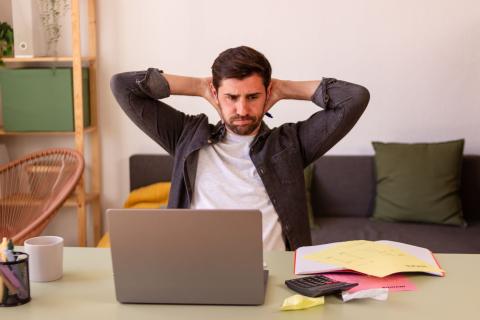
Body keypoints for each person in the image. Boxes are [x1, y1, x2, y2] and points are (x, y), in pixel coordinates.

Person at [110, 46, 370, 251]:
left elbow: (354, 98)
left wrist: (284, 89)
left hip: (274, 276)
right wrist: (199, 87)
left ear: (267, 93)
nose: (242, 110)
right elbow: (123, 87)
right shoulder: (185, 136)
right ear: (216, 93)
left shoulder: (291, 144)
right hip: (195, 272)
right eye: (231, 97)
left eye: (253, 97)